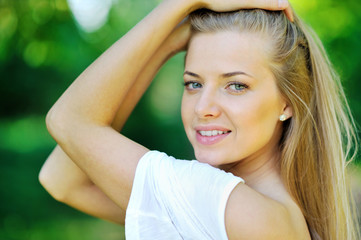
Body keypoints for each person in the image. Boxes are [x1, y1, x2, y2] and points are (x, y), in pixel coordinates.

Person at [39, 0, 360, 239]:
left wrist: (178, 8)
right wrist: (169, 42)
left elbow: (68, 121)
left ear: (287, 103)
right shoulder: (259, 213)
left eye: (236, 85)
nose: (203, 107)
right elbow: (63, 179)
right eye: (193, 83)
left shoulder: (231, 207)